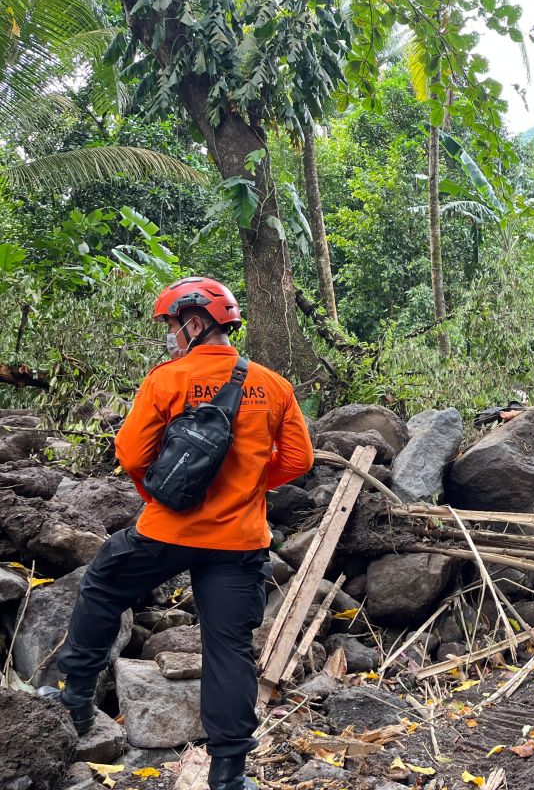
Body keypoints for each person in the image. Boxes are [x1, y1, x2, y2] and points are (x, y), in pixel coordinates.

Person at [41, 277, 314, 790]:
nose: (169, 334)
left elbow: (131, 456)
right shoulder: (273, 385)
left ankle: (76, 702)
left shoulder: (167, 380)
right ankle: (229, 775)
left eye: (170, 324)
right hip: (239, 542)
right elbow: (299, 461)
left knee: (101, 586)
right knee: (229, 648)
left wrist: (163, 495)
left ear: (194, 322)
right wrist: (250, 484)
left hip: (165, 531)